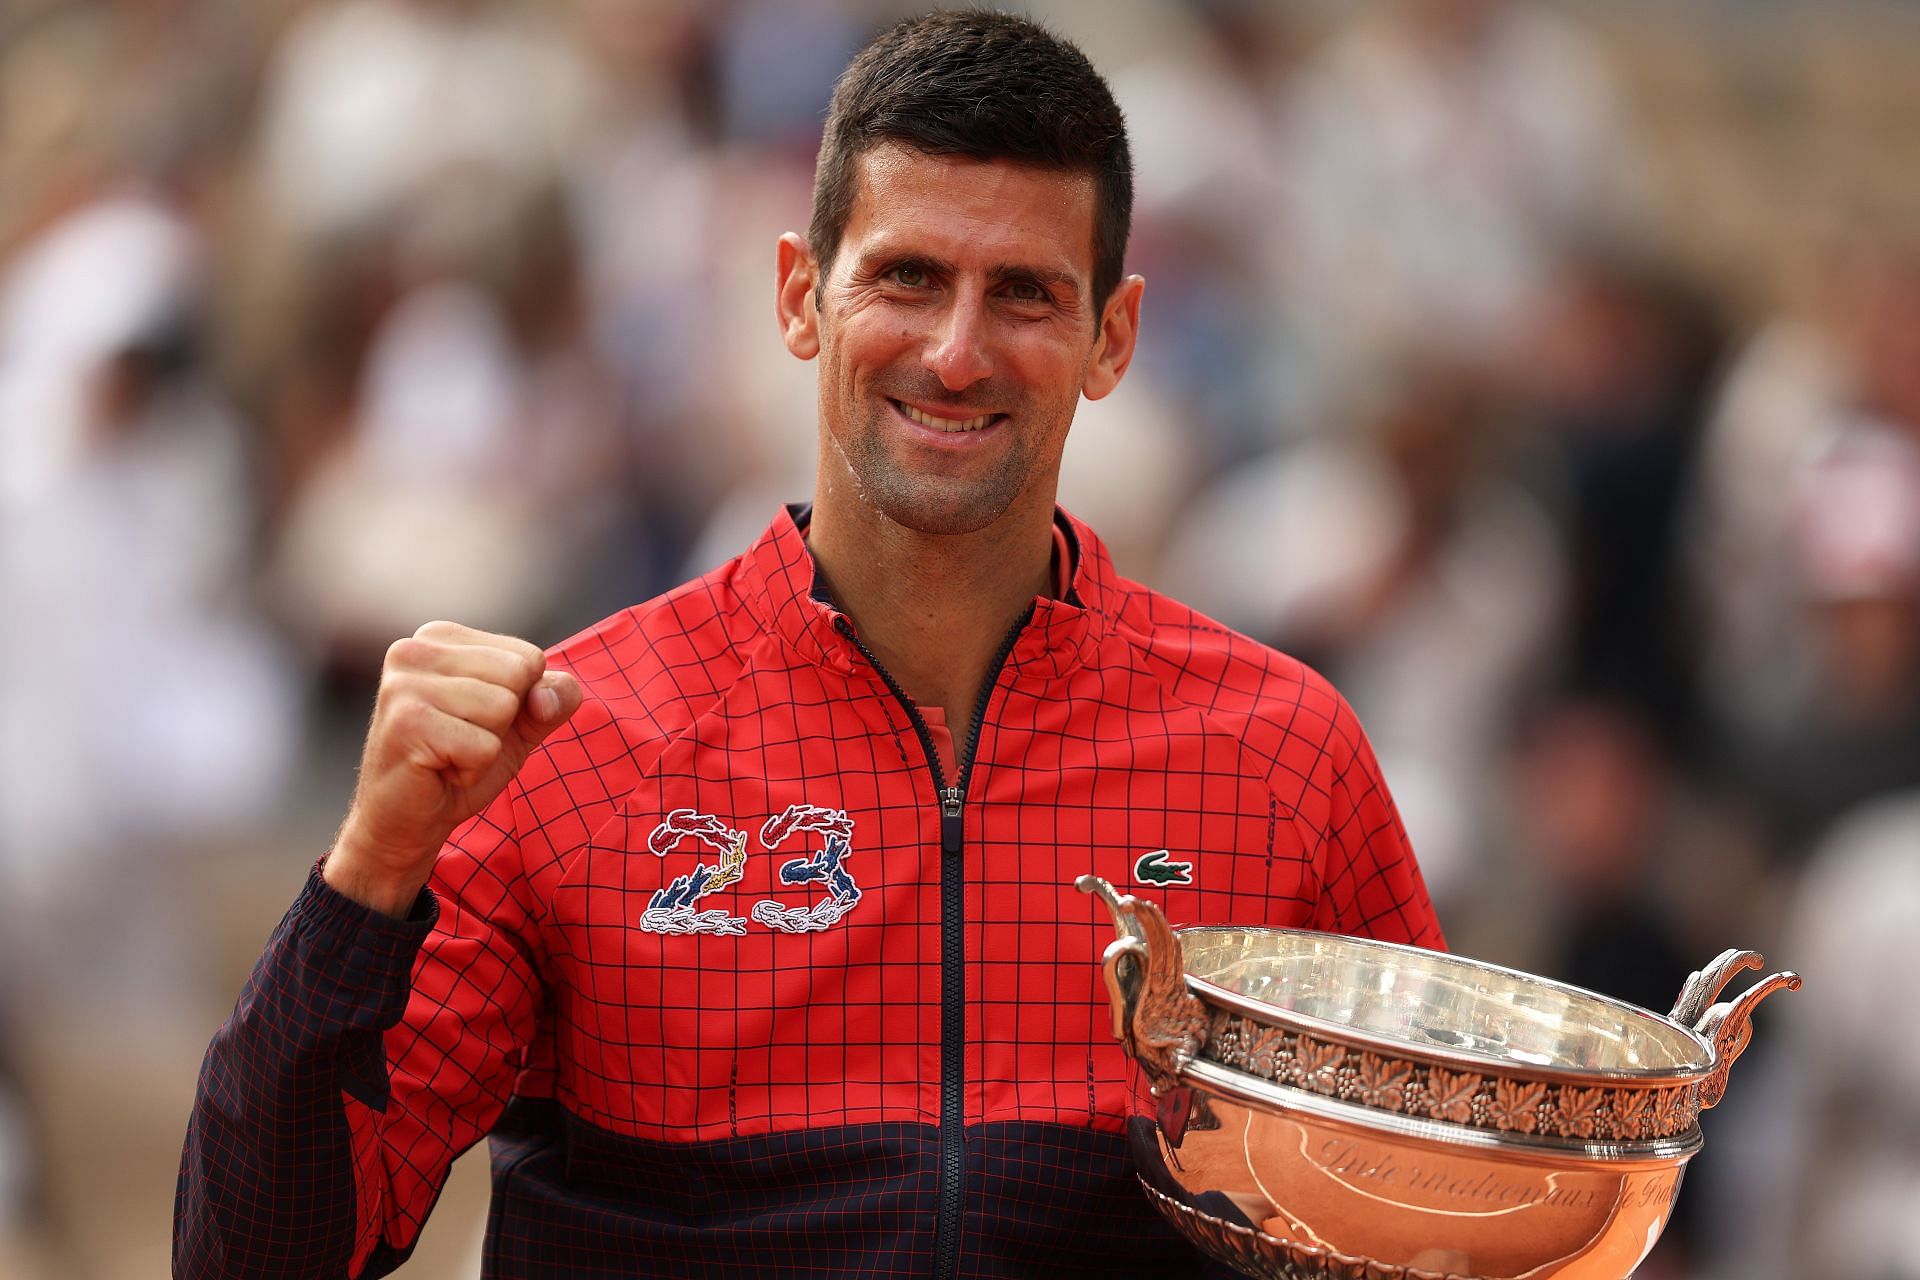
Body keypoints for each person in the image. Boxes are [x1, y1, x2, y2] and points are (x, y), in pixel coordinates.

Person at [175, 12, 1443, 1278]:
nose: (955, 352)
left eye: (1024, 294)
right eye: (906, 277)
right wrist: (369, 872)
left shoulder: (1283, 762)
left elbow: (1432, 1211)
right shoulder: (574, 746)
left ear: (1111, 336)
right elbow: (252, 1257)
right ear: (799, 295)